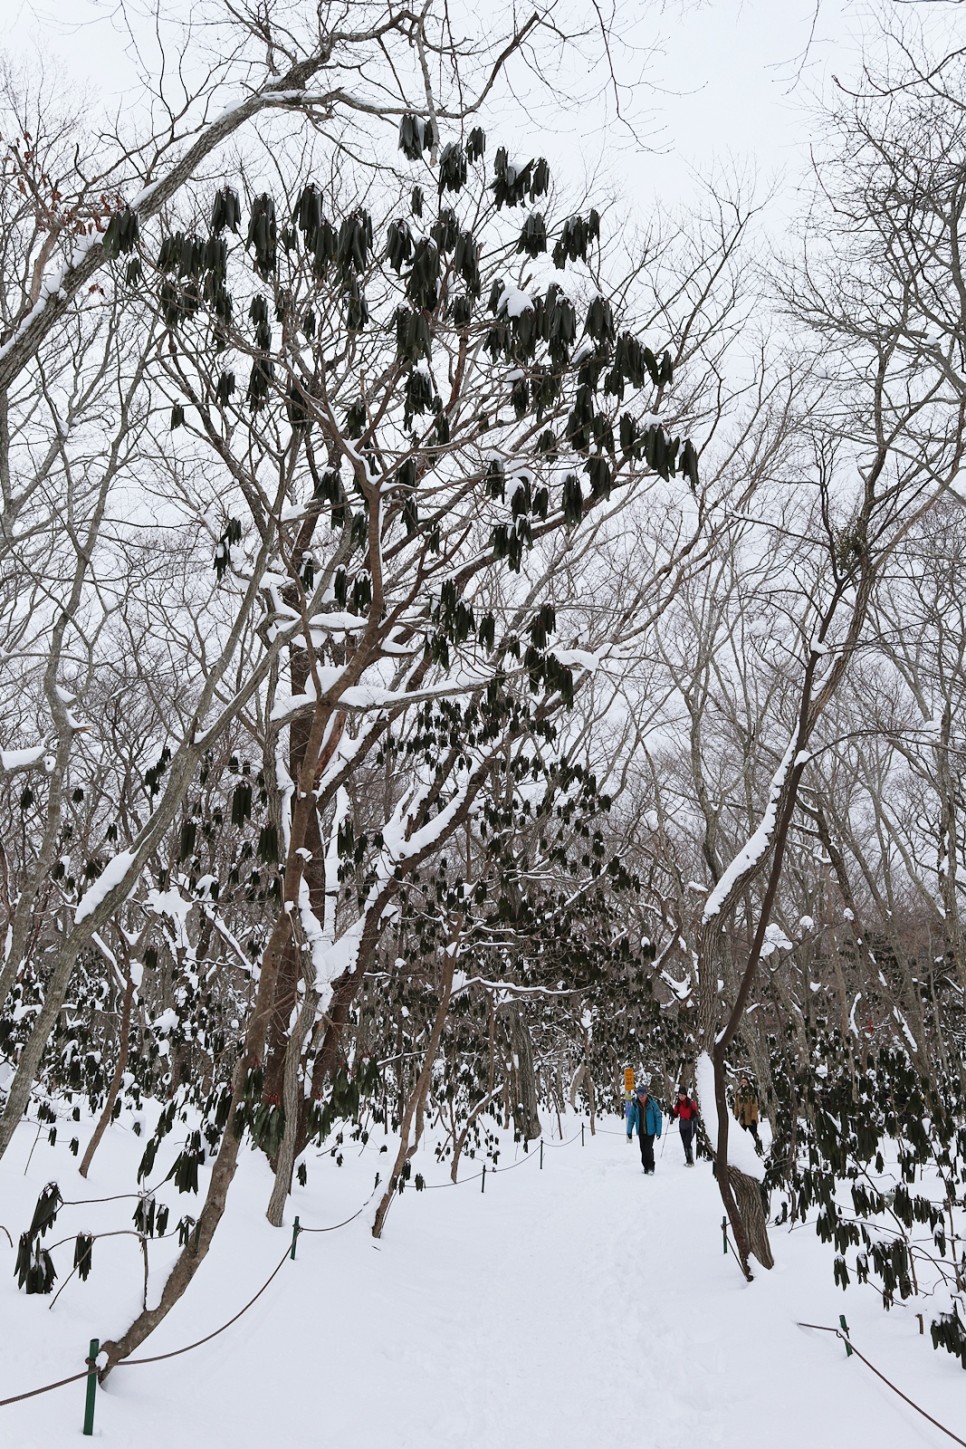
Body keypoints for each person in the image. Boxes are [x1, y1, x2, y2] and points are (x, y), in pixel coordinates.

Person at [626, 1080, 663, 1174]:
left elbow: (658, 1117)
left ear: (646, 1094)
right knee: (642, 1149)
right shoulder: (635, 1105)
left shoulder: (652, 1104)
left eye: (643, 1095)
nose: (641, 1097)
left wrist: (658, 1131)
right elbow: (631, 1119)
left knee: (648, 1149)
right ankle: (645, 1167)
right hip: (641, 1131)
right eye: (639, 1095)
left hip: (650, 1131)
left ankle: (651, 1167)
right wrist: (629, 1131)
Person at [669, 1086, 699, 1166]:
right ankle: (687, 1160)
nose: (681, 1097)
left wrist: (694, 1116)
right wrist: (671, 1112)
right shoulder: (678, 1104)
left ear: (685, 1095)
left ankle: (690, 1161)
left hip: (691, 1124)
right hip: (682, 1124)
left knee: (687, 1142)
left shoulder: (690, 1103)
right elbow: (675, 1114)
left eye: (682, 1095)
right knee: (684, 1143)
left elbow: (696, 1112)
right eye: (679, 1095)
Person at [733, 1073, 762, 1151]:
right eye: (742, 1082)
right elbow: (736, 1106)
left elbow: (754, 1107)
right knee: (740, 1135)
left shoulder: (751, 1094)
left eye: (745, 1082)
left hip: (751, 1119)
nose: (743, 1083)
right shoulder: (738, 1094)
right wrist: (736, 1115)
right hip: (742, 1120)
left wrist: (753, 1118)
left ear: (748, 1083)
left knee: (754, 1135)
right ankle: (741, 1150)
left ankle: (759, 1149)